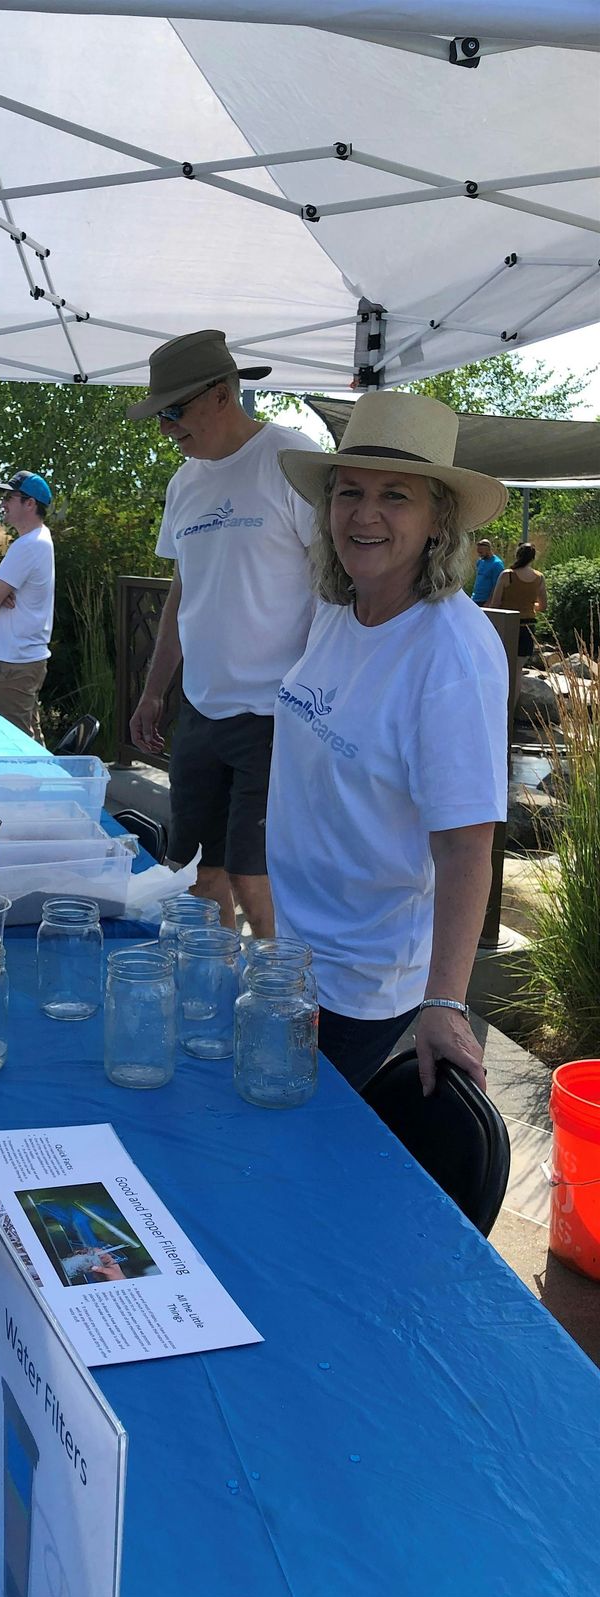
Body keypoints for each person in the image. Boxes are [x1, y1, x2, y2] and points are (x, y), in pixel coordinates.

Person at [270, 391, 509, 1094]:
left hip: (363, 978)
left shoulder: (449, 655)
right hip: (295, 953)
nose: (364, 514)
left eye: (394, 496)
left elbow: (467, 845)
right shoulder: (340, 609)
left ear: (439, 519)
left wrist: (444, 1003)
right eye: (349, 492)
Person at [126, 328, 323, 937]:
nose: (167, 429)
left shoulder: (292, 462)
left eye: (174, 412)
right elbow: (185, 593)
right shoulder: (183, 483)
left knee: (253, 877)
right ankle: (218, 993)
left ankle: (282, 1003)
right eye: (159, 417)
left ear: (221, 394)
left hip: (275, 713)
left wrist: (321, 701)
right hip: (201, 710)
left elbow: (331, 588)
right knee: (195, 873)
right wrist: (155, 690)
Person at [0, 469, 55, 741]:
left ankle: (27, 786)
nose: (2, 504)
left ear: (30, 503)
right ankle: (44, 783)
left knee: (13, 743)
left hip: (16, 661)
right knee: (29, 737)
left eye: (10, 497)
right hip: (24, 659)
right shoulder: (39, 540)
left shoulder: (28, 546)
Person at [485, 541, 547, 663]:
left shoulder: (507, 575)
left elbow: (495, 604)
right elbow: (543, 606)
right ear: (533, 558)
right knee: (518, 668)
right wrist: (529, 606)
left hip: (507, 624)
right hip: (528, 625)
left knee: (503, 663)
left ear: (517, 556)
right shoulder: (539, 577)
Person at [471, 536, 506, 606]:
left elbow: (497, 586)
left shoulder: (496, 564)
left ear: (488, 550)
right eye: (478, 552)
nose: (479, 555)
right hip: (475, 598)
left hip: (485, 601)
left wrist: (490, 601)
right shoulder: (480, 561)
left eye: (481, 552)